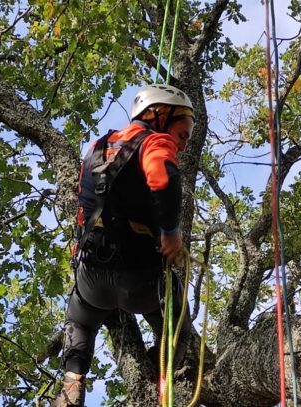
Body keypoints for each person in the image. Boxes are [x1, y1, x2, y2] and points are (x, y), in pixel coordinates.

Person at [52, 84, 196, 407]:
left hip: (92, 277)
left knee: (80, 321)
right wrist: (171, 233)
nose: (183, 146)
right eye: (182, 135)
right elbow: (164, 177)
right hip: (141, 281)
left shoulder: (96, 148)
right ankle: (163, 380)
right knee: (179, 328)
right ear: (159, 116)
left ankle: (73, 383)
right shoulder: (156, 141)